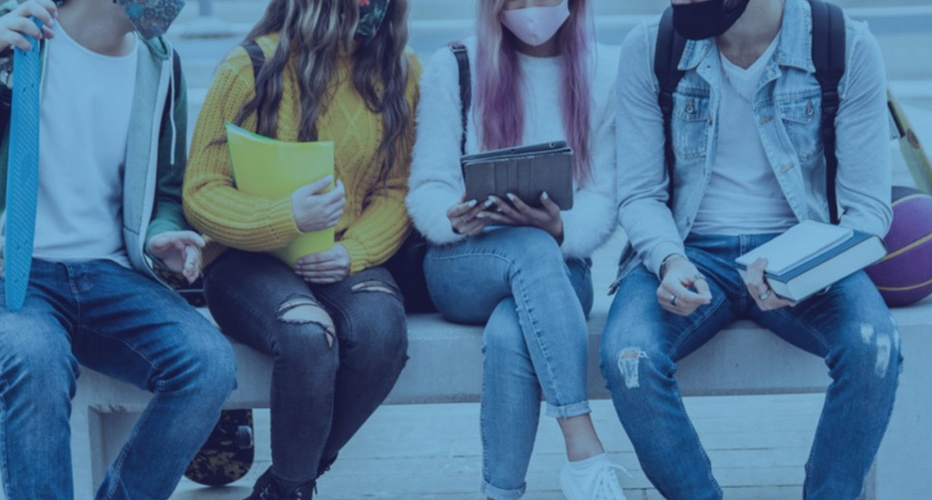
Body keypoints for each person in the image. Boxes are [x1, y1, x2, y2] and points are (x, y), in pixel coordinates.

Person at [0, 0, 237, 499]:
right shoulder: (22, 36)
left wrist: (160, 234)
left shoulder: (160, 64)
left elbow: (164, 189)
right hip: (4, 271)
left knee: (209, 364)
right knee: (37, 357)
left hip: (109, 275)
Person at [602, 0, 901, 498]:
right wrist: (670, 260)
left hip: (805, 248)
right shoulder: (652, 47)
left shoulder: (843, 44)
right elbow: (639, 194)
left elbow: (868, 209)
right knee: (628, 357)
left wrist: (809, 272)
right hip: (688, 248)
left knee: (876, 347)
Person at [182, 0, 420, 498]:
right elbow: (201, 190)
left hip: (340, 256)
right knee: (308, 335)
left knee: (381, 334)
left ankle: (289, 484)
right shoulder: (248, 66)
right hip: (245, 262)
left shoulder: (401, 72)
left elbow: (396, 190)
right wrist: (283, 217)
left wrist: (353, 252)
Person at [407, 1, 625, 499]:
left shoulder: (603, 72)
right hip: (464, 262)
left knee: (511, 330)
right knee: (525, 248)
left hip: (559, 262)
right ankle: (583, 447)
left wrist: (560, 227)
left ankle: (500, 493)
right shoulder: (457, 65)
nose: (528, 7)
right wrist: (452, 215)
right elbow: (427, 184)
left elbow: (605, 195)